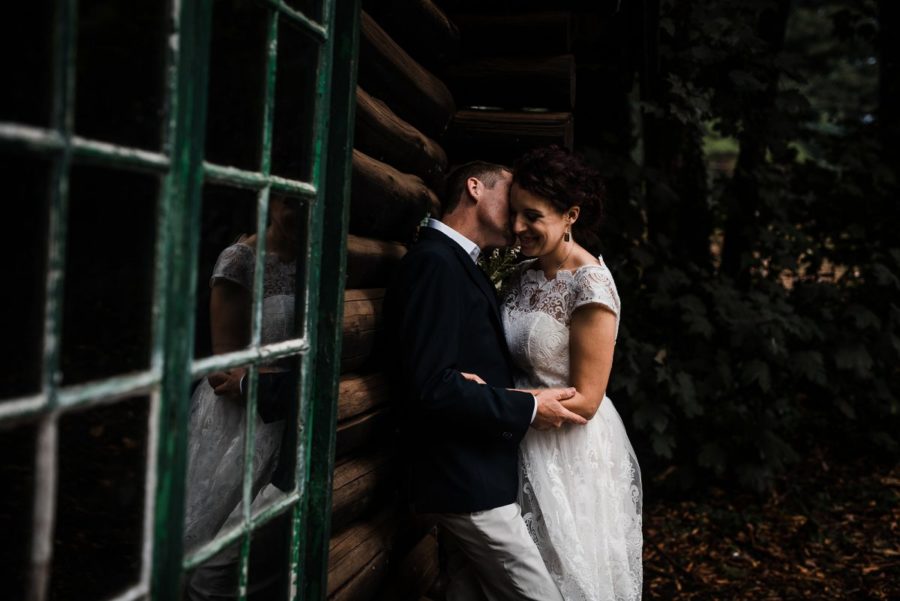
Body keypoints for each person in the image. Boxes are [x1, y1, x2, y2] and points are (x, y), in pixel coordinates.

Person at [384, 161, 588, 601]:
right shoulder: (436, 262)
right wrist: (530, 406)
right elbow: (432, 385)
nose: (518, 221)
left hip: (478, 471)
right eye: (510, 201)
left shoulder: (458, 261)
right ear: (475, 188)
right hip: (462, 477)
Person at [501, 146, 643, 600]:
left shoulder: (590, 285)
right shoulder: (520, 274)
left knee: (560, 574)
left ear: (571, 216)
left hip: (568, 450)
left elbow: (586, 399)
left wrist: (501, 401)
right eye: (513, 213)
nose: (518, 227)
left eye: (532, 216)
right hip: (517, 433)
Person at [182, 195, 301, 599]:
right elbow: (222, 369)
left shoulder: (313, 258)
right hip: (241, 425)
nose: (301, 214)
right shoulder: (239, 261)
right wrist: (269, 382)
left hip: (288, 417)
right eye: (292, 204)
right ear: (271, 201)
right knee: (214, 558)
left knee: (265, 561)